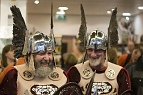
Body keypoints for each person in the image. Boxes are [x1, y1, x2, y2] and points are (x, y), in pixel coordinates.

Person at [67, 30, 133, 95]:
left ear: (105, 51)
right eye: (90, 50)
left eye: (98, 50)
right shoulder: (75, 72)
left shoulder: (120, 73)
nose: (93, 54)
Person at [0, 32, 67, 95]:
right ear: (30, 56)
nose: (47, 58)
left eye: (49, 53)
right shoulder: (15, 75)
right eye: (41, 53)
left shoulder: (63, 76)